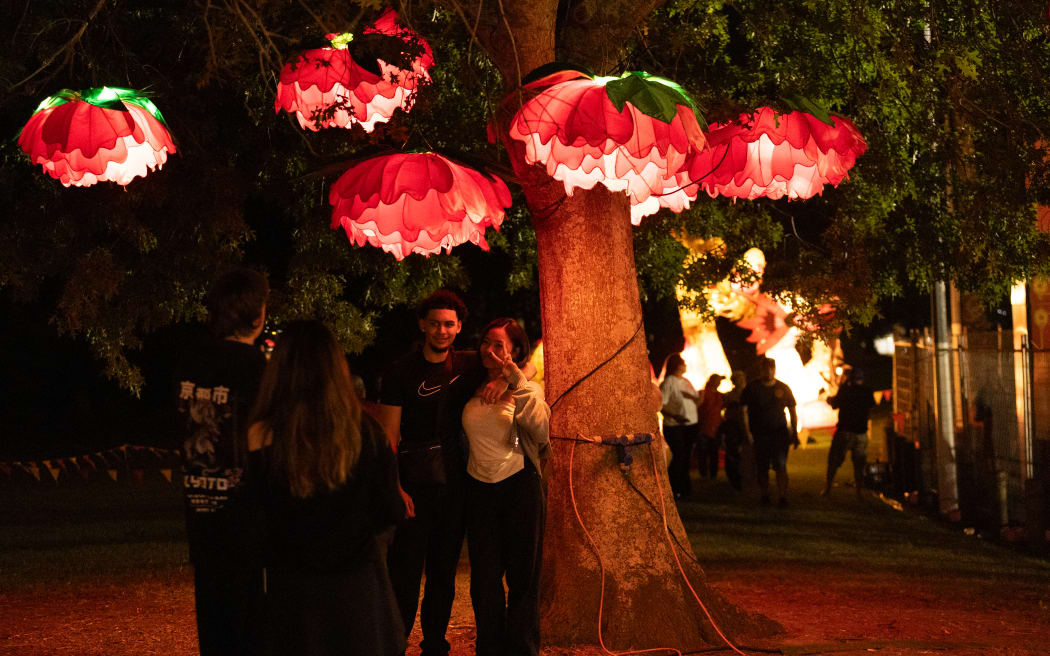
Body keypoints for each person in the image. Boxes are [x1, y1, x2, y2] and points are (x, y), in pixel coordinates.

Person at [247, 321, 405, 655]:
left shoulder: (261, 436)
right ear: (337, 368)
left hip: (293, 596)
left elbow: (252, 519)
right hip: (357, 593)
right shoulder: (367, 434)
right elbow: (390, 510)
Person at [376, 290, 518, 656]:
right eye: (436, 323)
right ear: (422, 325)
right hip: (412, 486)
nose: (442, 330)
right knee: (404, 576)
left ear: (459, 328)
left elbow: (525, 367)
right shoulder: (399, 372)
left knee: (443, 576)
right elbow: (388, 437)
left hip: (456, 488)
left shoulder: (470, 364)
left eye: (449, 324)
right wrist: (395, 488)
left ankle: (434, 647)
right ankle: (393, 644)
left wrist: (503, 380)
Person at [173, 267, 268, 655]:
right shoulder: (256, 367)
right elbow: (263, 442)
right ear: (257, 314)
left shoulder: (187, 362)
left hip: (201, 511)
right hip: (246, 518)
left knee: (214, 624)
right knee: (250, 629)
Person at [462, 318, 551, 656]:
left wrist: (514, 379)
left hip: (520, 488)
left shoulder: (527, 389)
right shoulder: (469, 383)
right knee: (484, 581)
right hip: (479, 490)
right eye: (486, 342)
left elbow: (541, 431)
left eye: (499, 345)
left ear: (514, 351)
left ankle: (522, 649)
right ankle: (489, 648)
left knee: (523, 578)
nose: (490, 350)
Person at [741, 357, 799, 508]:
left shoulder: (783, 388)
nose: (769, 371)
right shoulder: (752, 388)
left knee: (781, 465)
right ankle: (764, 495)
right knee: (762, 466)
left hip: (779, 434)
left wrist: (794, 432)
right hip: (760, 434)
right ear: (761, 370)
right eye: (766, 368)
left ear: (775, 369)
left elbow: (792, 410)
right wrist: (747, 432)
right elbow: (744, 411)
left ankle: (782, 496)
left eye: (771, 368)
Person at [823, 367, 876, 498]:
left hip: (845, 432)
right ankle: (858, 492)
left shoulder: (846, 390)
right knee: (859, 464)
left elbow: (835, 404)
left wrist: (828, 399)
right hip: (861, 434)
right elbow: (872, 405)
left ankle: (828, 489)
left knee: (834, 461)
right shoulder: (867, 391)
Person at [660, 353, 701, 499]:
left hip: (690, 425)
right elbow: (661, 405)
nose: (685, 365)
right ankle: (672, 487)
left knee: (686, 457)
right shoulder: (669, 382)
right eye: (683, 363)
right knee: (679, 456)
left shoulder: (685, 381)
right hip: (675, 426)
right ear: (677, 365)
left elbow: (696, 400)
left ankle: (684, 489)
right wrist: (675, 415)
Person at [718, 370, 748, 492]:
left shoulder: (750, 393)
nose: (740, 381)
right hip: (733, 426)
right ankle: (735, 479)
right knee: (733, 453)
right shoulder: (729, 396)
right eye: (737, 379)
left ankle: (747, 478)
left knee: (746, 453)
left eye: (741, 378)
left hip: (747, 426)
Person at [696, 374, 725, 480]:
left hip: (716, 428)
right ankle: (704, 473)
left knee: (714, 452)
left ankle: (713, 474)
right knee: (703, 452)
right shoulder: (703, 393)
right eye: (717, 380)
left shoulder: (719, 395)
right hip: (704, 427)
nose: (719, 383)